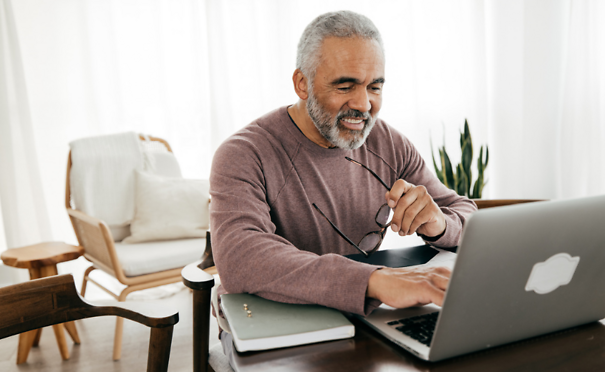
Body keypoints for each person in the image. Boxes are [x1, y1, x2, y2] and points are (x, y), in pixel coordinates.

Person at [210, 10, 476, 346]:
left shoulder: (388, 142)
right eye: (345, 85)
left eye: (374, 86)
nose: (364, 104)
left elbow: (467, 216)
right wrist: (375, 281)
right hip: (274, 324)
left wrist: (440, 224)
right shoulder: (243, 153)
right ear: (302, 83)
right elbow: (241, 258)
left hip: (361, 320)